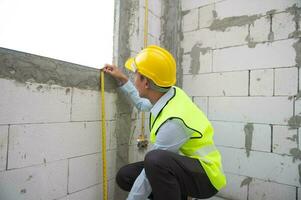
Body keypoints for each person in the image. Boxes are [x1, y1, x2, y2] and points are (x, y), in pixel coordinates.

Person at [103, 45, 226, 200]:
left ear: (146, 83)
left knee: (155, 160)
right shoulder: (170, 93)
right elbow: (142, 104)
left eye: (136, 75)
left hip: (206, 177)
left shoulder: (174, 121)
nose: (134, 79)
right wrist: (123, 79)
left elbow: (149, 174)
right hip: (184, 168)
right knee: (125, 176)